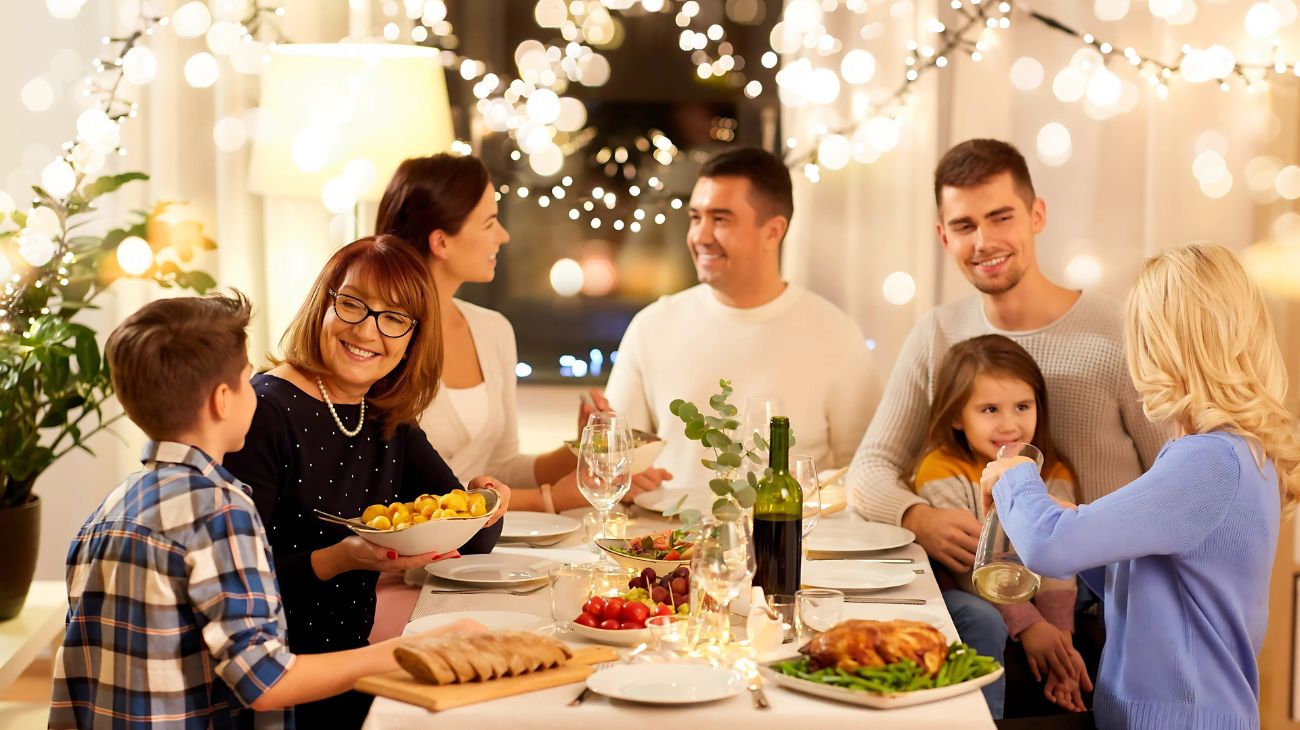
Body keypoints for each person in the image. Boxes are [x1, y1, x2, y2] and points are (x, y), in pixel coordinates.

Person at [49, 293, 484, 729]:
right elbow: (265, 681)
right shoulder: (220, 511)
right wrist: (412, 649)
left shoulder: (107, 512)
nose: (259, 389)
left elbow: (74, 684)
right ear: (224, 399)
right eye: (247, 378)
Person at [846, 139, 1169, 714]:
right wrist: (917, 517)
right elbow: (870, 469)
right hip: (981, 592)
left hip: (1105, 595)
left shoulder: (1117, 330)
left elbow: (1173, 473)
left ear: (1037, 215)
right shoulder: (938, 334)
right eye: (964, 224)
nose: (984, 241)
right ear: (943, 237)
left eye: (1001, 217)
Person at [981, 241, 1300, 730]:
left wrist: (1016, 472)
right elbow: (1154, 584)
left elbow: (1047, 546)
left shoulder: (1208, 461)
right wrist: (1070, 516)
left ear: (1159, 344)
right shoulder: (1229, 453)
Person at [223, 236, 510, 729]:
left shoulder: (383, 416)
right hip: (277, 685)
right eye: (353, 304)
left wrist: (488, 500)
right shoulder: (263, 412)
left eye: (394, 318)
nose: (368, 330)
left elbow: (474, 538)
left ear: (413, 338)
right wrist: (338, 559)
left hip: (351, 666)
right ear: (325, 303)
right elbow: (237, 589)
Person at [374, 153, 671, 513]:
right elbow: (395, 496)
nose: (504, 235)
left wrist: (582, 450)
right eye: (489, 223)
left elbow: (502, 469)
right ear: (442, 242)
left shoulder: (492, 330)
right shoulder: (380, 337)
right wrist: (550, 500)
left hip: (483, 552)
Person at [601, 146, 880, 499]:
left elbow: (860, 469)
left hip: (789, 545)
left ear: (773, 232)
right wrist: (622, 478)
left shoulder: (835, 333)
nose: (700, 236)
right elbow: (619, 459)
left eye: (720, 219)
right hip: (668, 543)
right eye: (695, 217)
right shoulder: (652, 326)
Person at [913, 334, 1086, 718]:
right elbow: (971, 564)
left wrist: (1059, 638)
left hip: (1034, 583)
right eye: (990, 409)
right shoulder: (942, 470)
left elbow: (1060, 556)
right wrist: (1029, 627)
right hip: (963, 584)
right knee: (981, 618)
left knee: (1097, 587)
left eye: (1022, 406)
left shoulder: (1053, 471)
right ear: (957, 416)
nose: (1010, 425)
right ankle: (981, 719)